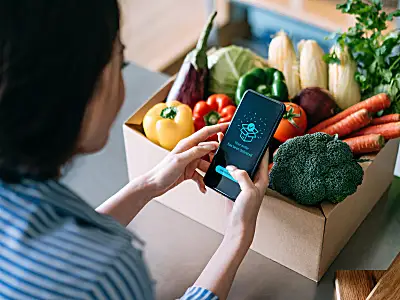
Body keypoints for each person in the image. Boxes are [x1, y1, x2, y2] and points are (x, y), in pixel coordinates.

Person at [0, 1, 270, 299]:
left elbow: (53, 248)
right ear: (85, 85)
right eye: (121, 60)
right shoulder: (106, 275)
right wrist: (237, 236)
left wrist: (147, 185)